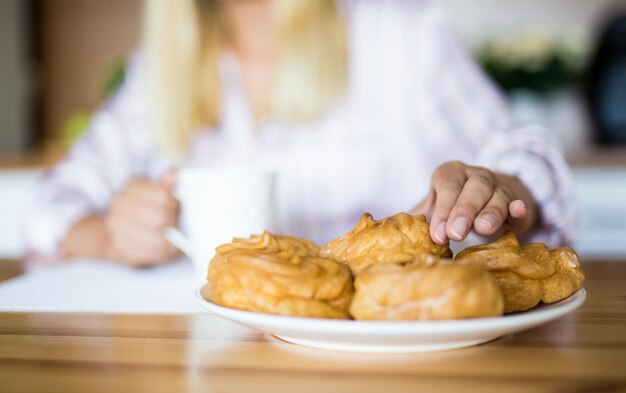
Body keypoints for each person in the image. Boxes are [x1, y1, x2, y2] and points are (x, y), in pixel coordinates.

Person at [25, 0, 575, 268]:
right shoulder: (161, 69)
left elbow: (530, 155)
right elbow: (48, 202)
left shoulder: (401, 36)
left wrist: (496, 184)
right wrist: (111, 236)